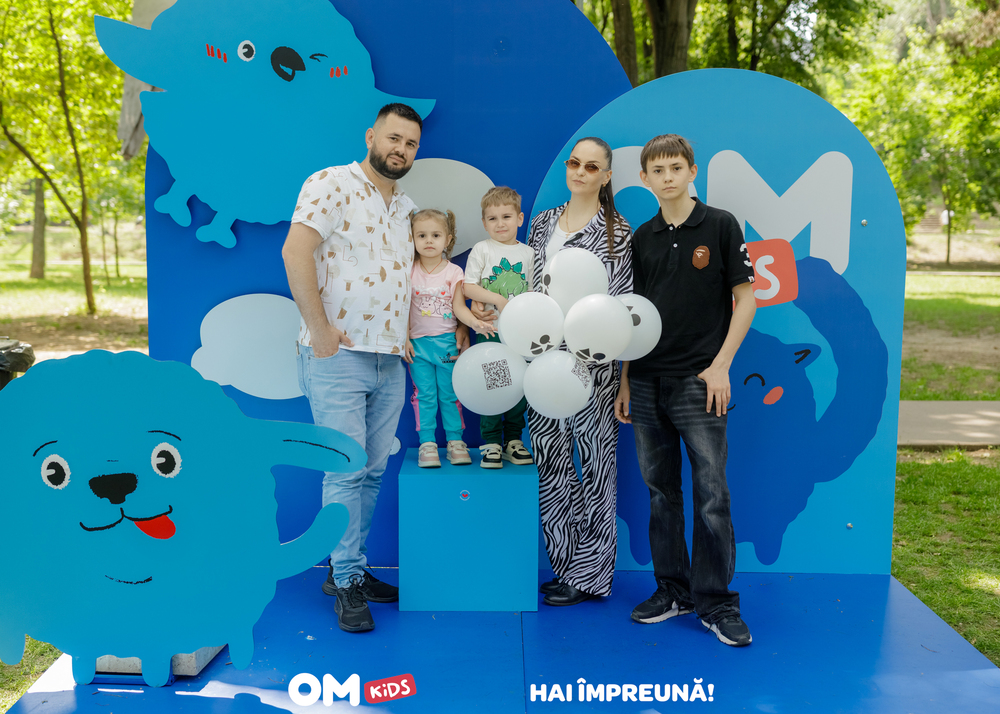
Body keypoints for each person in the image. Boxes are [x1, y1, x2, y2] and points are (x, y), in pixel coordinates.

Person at [282, 103, 455, 633]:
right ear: (371, 136)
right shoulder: (331, 183)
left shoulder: (407, 209)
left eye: (411, 143)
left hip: (390, 359)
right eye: (393, 138)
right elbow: (295, 252)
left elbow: (417, 280)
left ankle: (348, 569)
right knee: (345, 469)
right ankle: (347, 578)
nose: (401, 149)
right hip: (337, 355)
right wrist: (320, 330)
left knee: (373, 471)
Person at [614, 134, 757, 647]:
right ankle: (672, 591)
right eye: (658, 170)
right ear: (645, 179)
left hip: (700, 381)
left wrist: (721, 366)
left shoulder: (720, 224)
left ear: (692, 171)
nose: (668, 176)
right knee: (661, 493)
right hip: (646, 381)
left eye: (676, 167)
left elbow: (746, 299)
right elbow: (632, 316)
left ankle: (716, 602)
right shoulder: (642, 237)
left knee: (712, 493)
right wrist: (626, 379)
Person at [524, 137, 632, 606]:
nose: (580, 172)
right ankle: (564, 565)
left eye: (591, 167)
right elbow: (531, 290)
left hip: (595, 367)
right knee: (550, 461)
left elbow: (624, 311)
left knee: (595, 464)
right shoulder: (544, 222)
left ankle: (591, 575)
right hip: (543, 361)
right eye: (574, 163)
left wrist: (625, 379)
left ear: (606, 176)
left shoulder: (618, 232)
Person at [405, 208, 496, 468]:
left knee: (449, 394)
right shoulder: (408, 270)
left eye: (435, 235)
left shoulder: (454, 272)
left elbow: (458, 307)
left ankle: (455, 441)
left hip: (447, 344)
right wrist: (404, 339)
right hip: (417, 346)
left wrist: (475, 323)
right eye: (421, 235)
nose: (429, 241)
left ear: (448, 239)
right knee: (424, 395)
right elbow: (401, 308)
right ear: (412, 239)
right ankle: (427, 443)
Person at [462, 187, 536, 469]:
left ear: (520, 218)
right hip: (489, 332)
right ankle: (491, 441)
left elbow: (535, 293)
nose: (500, 223)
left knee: (518, 387)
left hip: (519, 336)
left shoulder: (528, 254)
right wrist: (498, 300)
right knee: (492, 386)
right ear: (484, 223)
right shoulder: (482, 249)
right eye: (492, 218)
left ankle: (514, 440)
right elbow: (469, 287)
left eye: (506, 216)